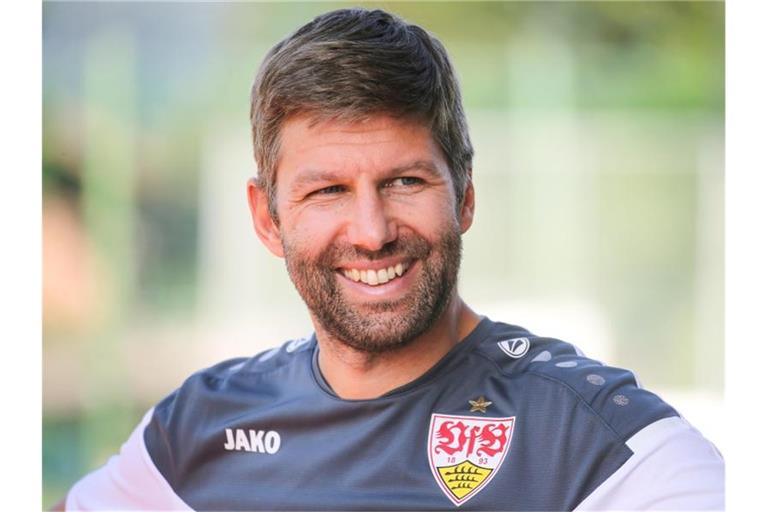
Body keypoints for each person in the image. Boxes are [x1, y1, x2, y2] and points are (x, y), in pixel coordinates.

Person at [58, 8, 724, 511]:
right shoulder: (200, 428)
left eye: (406, 182)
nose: (372, 232)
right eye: (328, 191)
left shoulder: (595, 444)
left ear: (464, 195)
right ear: (267, 217)